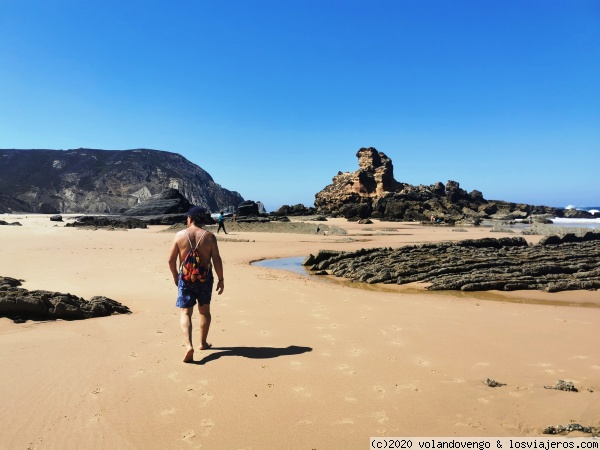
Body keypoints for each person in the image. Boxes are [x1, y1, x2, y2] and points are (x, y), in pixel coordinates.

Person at [168, 206, 224, 363]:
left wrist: (175, 276)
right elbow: (216, 259)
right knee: (204, 311)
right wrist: (221, 279)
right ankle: (203, 343)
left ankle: (188, 346)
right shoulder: (209, 237)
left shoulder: (179, 236)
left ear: (190, 219)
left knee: (185, 312)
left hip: (185, 279)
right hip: (204, 279)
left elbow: (171, 259)